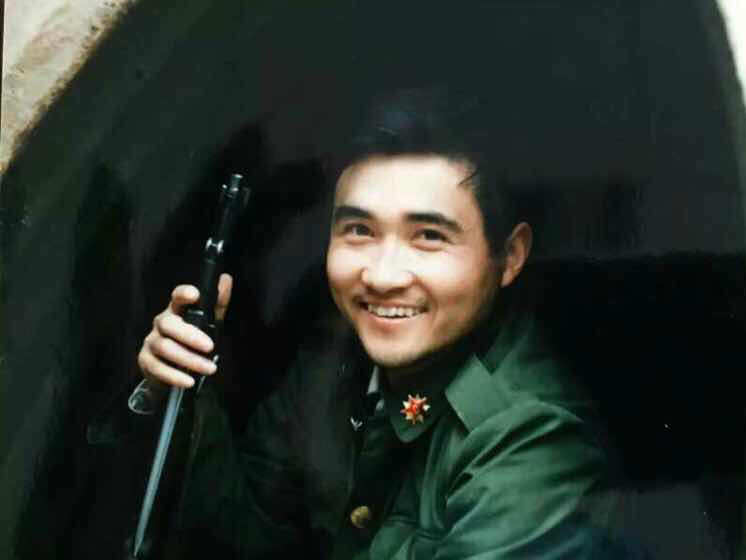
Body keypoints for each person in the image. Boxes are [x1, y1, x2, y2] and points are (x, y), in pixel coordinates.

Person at [134, 89, 617, 558]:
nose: (382, 276)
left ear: (509, 256)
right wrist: (180, 388)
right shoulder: (332, 363)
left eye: (428, 236)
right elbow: (248, 534)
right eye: (359, 230)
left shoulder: (535, 440)